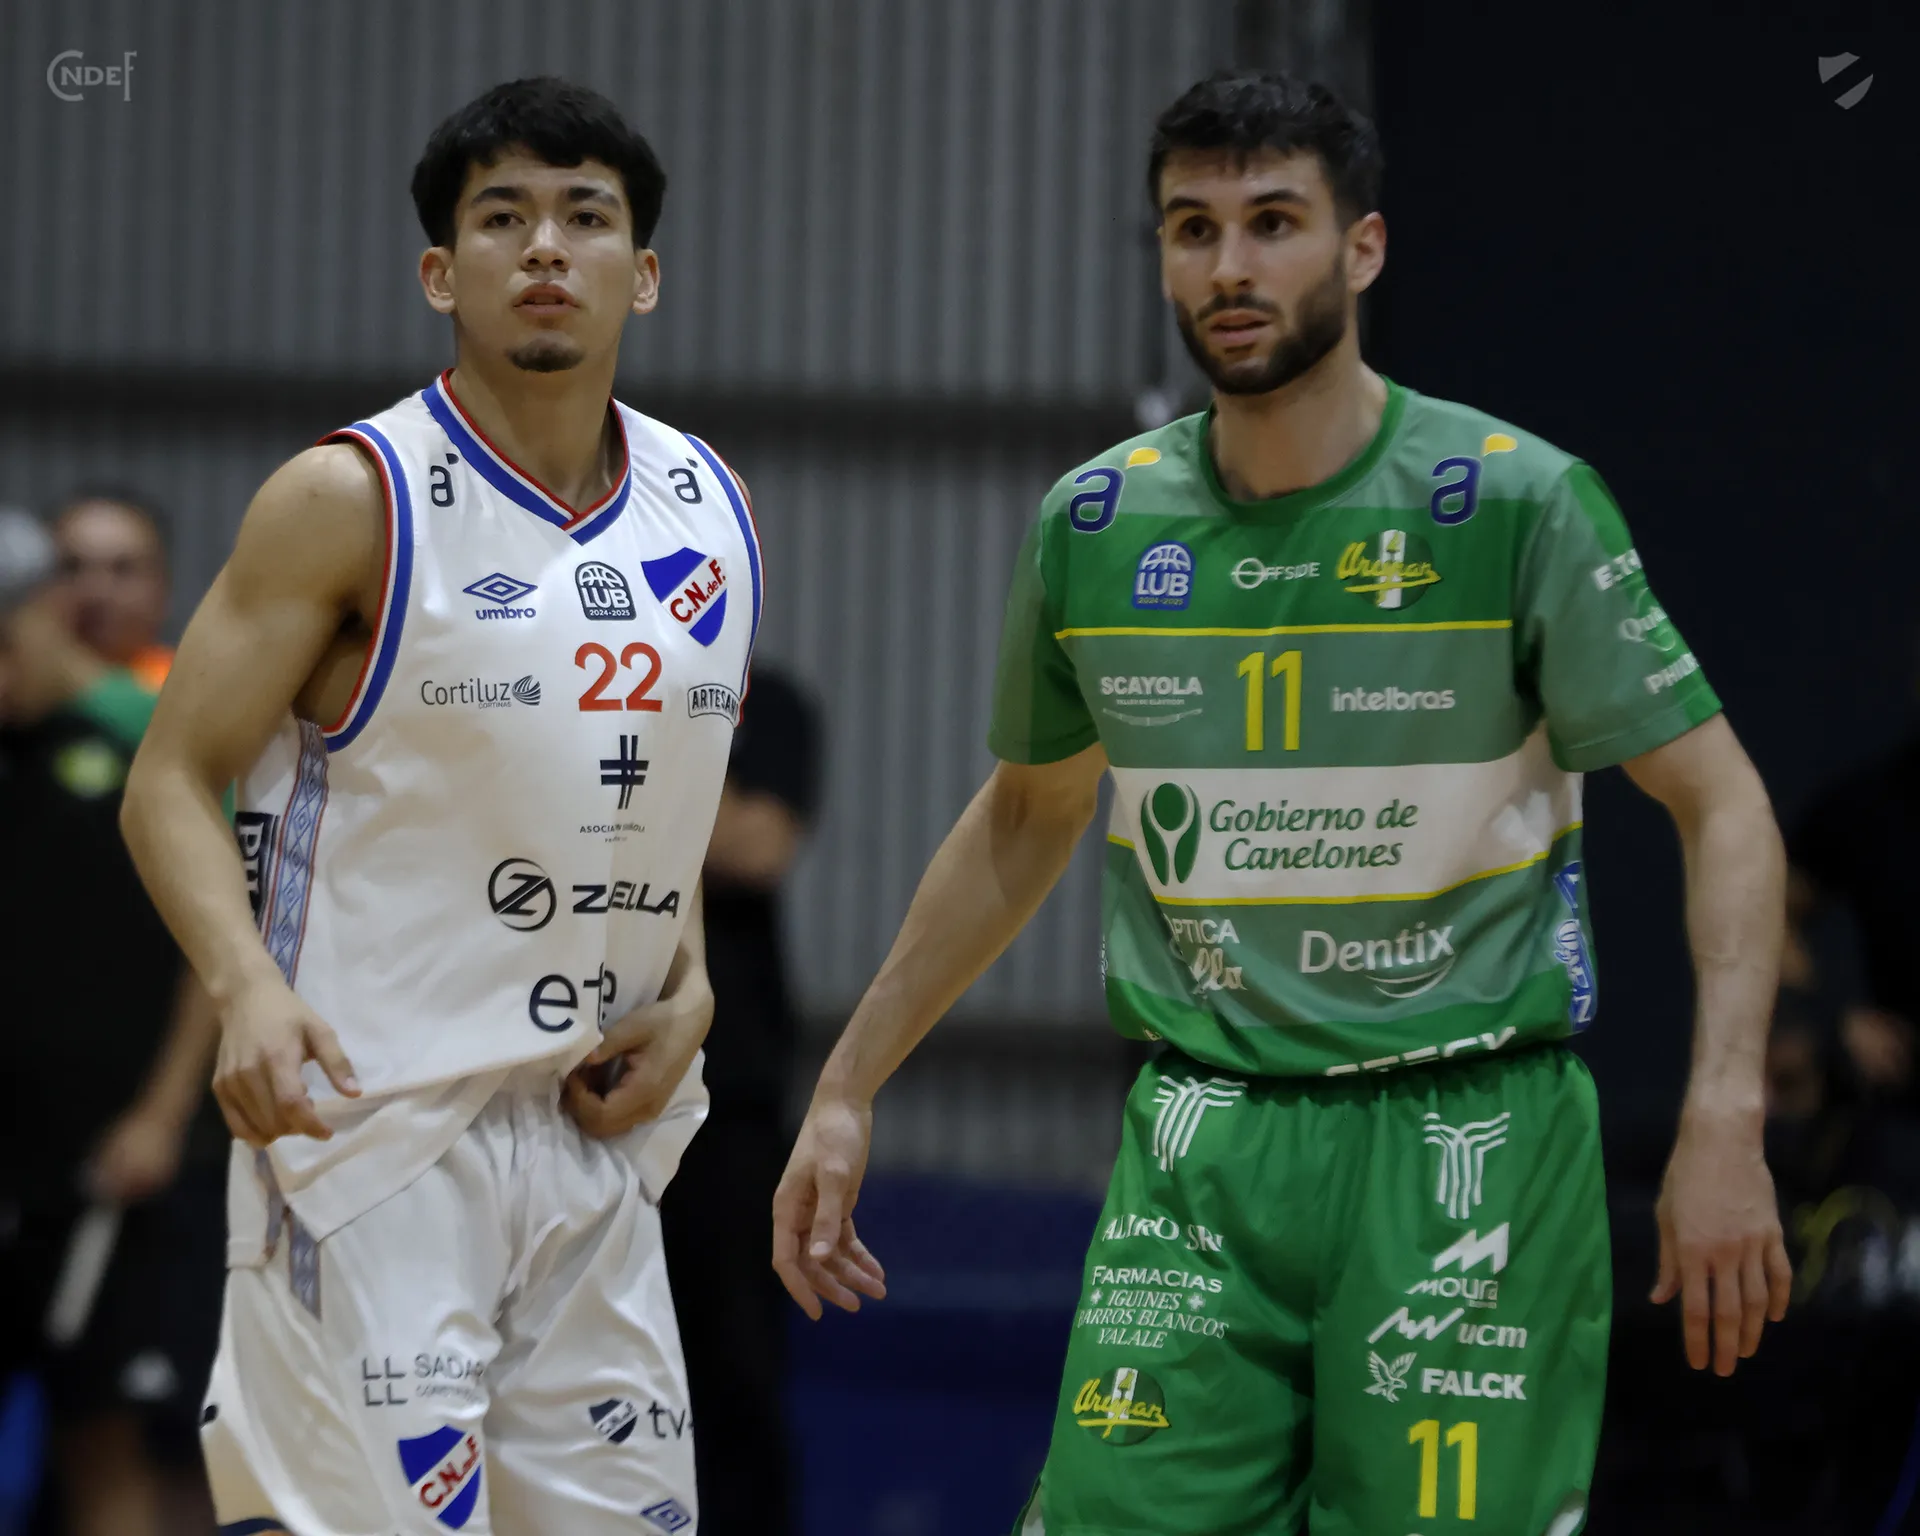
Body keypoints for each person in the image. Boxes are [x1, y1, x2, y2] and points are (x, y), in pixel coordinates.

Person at [772, 71, 1791, 1536]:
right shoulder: (1099, 522)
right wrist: (849, 1086)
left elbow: (1724, 802)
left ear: (1362, 247)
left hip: (1463, 1138)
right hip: (1204, 1141)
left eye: (1272, 222)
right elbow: (1025, 818)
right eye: (1193, 228)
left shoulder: (1518, 503)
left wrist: (1725, 1117)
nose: (1229, 267)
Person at [119, 77, 762, 1536]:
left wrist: (694, 983)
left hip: (596, 1144)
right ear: (439, 271)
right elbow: (166, 779)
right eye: (502, 217)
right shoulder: (348, 498)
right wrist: (244, 987)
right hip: (372, 1137)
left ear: (643, 273)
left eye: (585, 217)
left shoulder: (707, 502)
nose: (545, 246)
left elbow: (651, 786)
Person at [0, 506, 223, 1536]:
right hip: (27, 1155)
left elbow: (217, 943)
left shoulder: (154, 730)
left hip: (126, 1168)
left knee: (126, 1440)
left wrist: (161, 1118)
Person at [661, 663, 821, 1536]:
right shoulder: (564, 669)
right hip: (580, 1082)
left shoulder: (770, 699)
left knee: (735, 1366)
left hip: (731, 1096)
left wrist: (629, 798)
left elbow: (760, 844)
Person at [51, 489, 177, 691]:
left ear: (162, 587)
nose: (95, 591)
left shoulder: (188, 691)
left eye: (123, 569)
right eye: (72, 568)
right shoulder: (11, 692)